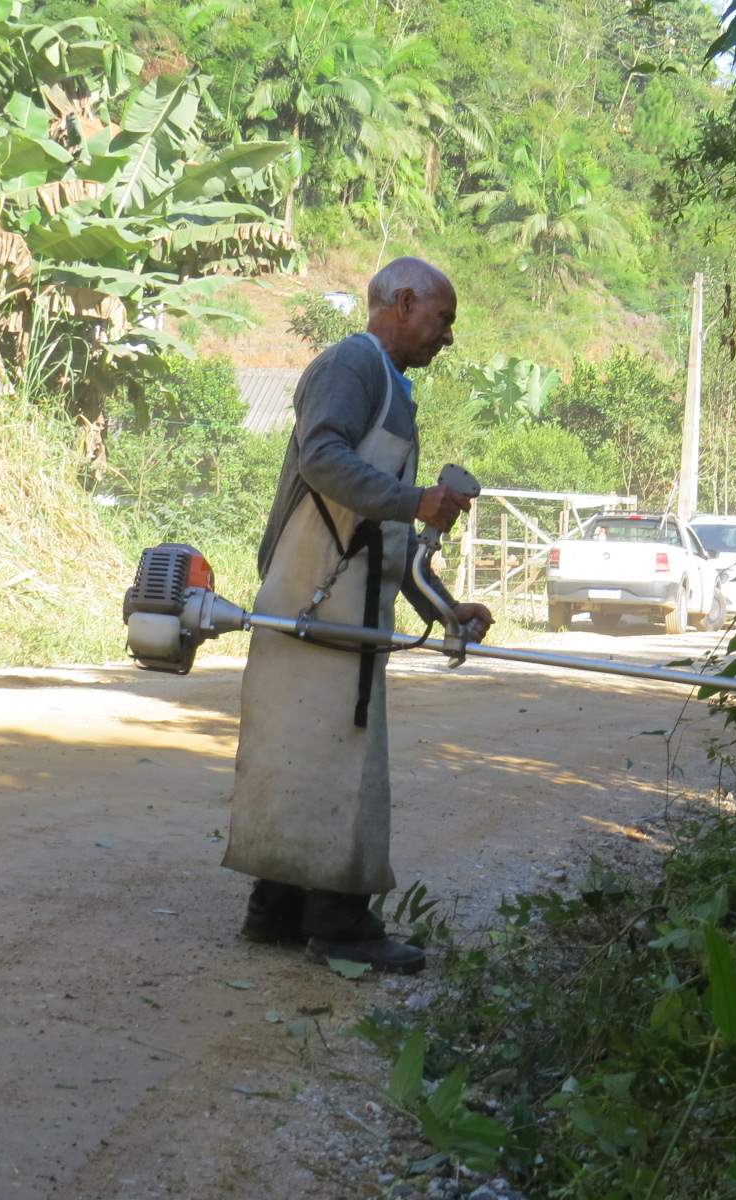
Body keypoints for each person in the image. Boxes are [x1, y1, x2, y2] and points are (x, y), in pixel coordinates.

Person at [222, 257, 491, 975]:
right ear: (402, 302)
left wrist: (444, 607)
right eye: (442, 320)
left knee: (310, 759)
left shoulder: (394, 391)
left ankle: (276, 909)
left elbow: (387, 543)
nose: (447, 338)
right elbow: (323, 459)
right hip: (307, 603)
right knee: (334, 764)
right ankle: (340, 924)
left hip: (341, 613)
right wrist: (415, 500)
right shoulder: (351, 363)